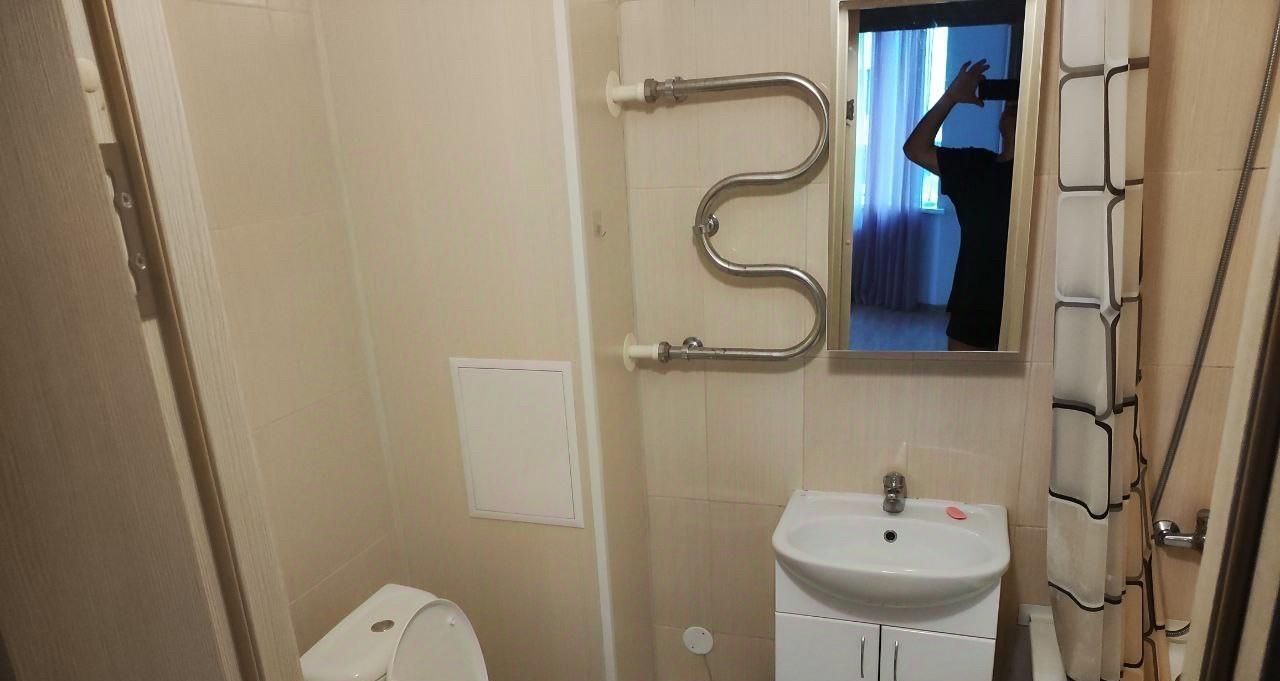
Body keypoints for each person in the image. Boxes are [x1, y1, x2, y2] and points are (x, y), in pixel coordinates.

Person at [903, 58, 1015, 351]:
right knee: (962, 381)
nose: (1012, 108)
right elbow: (915, 149)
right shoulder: (976, 167)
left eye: (1020, 103)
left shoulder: (1049, 176)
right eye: (1010, 104)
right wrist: (950, 97)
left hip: (1029, 306)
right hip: (974, 306)